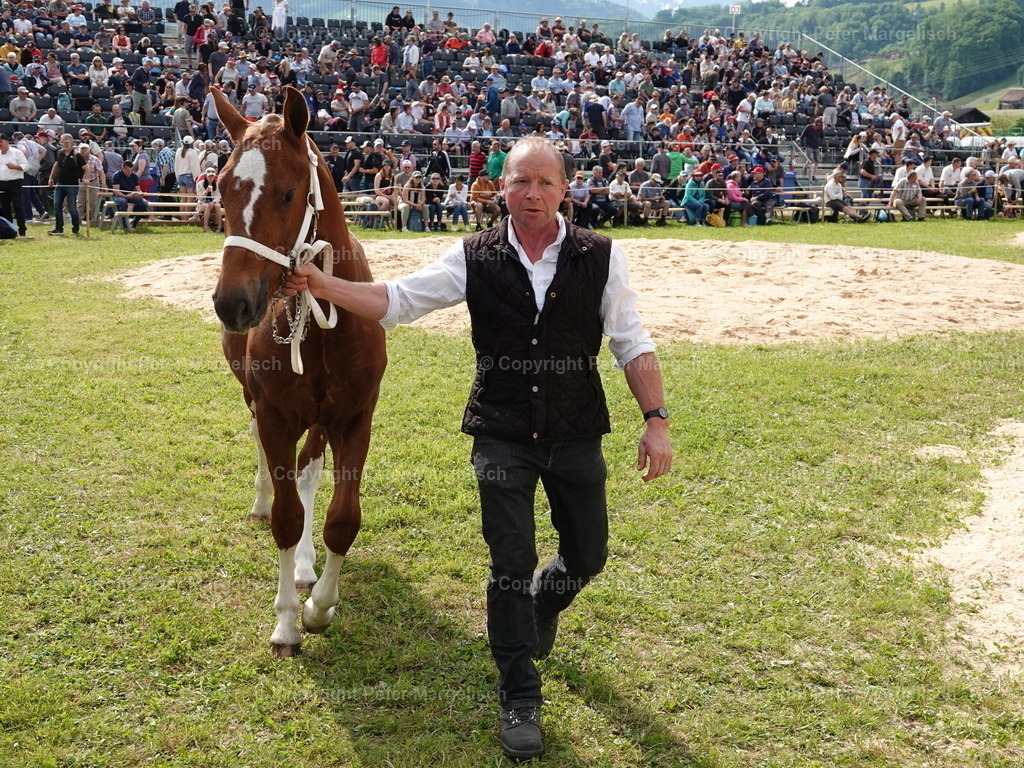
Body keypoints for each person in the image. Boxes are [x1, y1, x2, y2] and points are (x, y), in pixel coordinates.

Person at [282, 136, 672, 761]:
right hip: (502, 433)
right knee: (509, 565)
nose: (533, 193)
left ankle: (544, 605)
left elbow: (631, 339)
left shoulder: (601, 257)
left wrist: (655, 419)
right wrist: (326, 286)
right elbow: (397, 301)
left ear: (567, 189)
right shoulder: (475, 255)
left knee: (588, 555)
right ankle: (520, 693)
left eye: (546, 182)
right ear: (501, 189)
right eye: (521, 181)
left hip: (576, 432)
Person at [46, 132, 85, 235]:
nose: (64, 144)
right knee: (56, 205)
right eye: (62, 142)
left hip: (72, 185)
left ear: (71, 142)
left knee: (72, 207)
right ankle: (59, 229)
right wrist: (51, 177)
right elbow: (56, 164)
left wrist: (85, 179)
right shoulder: (60, 153)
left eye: (66, 142)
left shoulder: (77, 156)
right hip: (60, 183)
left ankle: (75, 229)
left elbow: (87, 168)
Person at [0, 133, 28, 236]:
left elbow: (26, 167)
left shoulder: (17, 153)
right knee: (5, 207)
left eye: (1, 142)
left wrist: (14, 167)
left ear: (6, 141)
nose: (0, 144)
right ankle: (9, 230)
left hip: (14, 182)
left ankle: (22, 229)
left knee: (17, 206)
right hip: (2, 183)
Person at [111, 158, 149, 229]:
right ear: (123, 168)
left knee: (144, 203)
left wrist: (140, 194)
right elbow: (116, 191)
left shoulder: (134, 176)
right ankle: (124, 223)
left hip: (131, 195)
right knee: (123, 201)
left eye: (131, 170)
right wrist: (125, 196)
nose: (130, 172)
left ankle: (135, 221)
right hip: (119, 196)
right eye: (128, 170)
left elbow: (138, 189)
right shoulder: (117, 175)